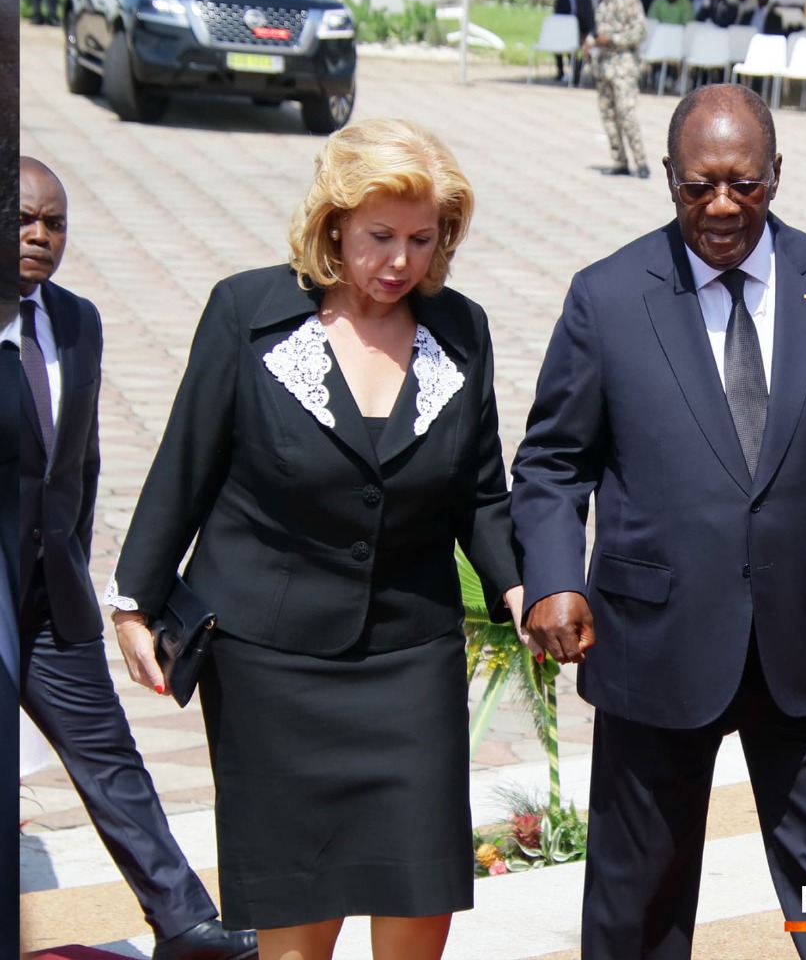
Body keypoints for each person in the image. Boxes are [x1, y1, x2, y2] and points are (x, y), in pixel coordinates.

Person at [513, 83, 806, 960]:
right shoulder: (610, 296)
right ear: (669, 177)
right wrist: (552, 577)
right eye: (698, 187)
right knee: (641, 887)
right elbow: (553, 462)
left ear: (777, 173)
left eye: (744, 182)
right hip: (654, 645)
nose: (723, 206)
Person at [105, 121, 522, 960]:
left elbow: (480, 493)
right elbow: (186, 461)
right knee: (298, 927)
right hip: (271, 664)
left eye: (421, 237)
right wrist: (133, 600)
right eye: (380, 236)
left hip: (410, 656)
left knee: (415, 889)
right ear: (334, 222)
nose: (400, 260)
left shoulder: (462, 329)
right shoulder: (246, 312)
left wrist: (523, 586)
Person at [15, 157, 258, 960]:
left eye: (54, 223)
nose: (40, 235)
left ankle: (183, 920)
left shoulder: (77, 321)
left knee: (111, 761)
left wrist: (76, 574)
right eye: (24, 219)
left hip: (52, 601)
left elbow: (75, 465)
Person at [587, 0, 650, 180]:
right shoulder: (601, 4)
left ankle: (641, 162)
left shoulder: (629, 0)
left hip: (623, 67)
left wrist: (612, 40)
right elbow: (599, 33)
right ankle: (620, 161)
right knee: (608, 116)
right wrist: (590, 44)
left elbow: (640, 32)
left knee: (626, 114)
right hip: (604, 67)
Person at [553, 0, 595, 86]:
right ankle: (561, 71)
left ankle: (578, 72)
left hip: (582, 31)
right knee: (559, 42)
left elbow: (587, 19)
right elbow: (557, 16)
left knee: (580, 45)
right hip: (565, 30)